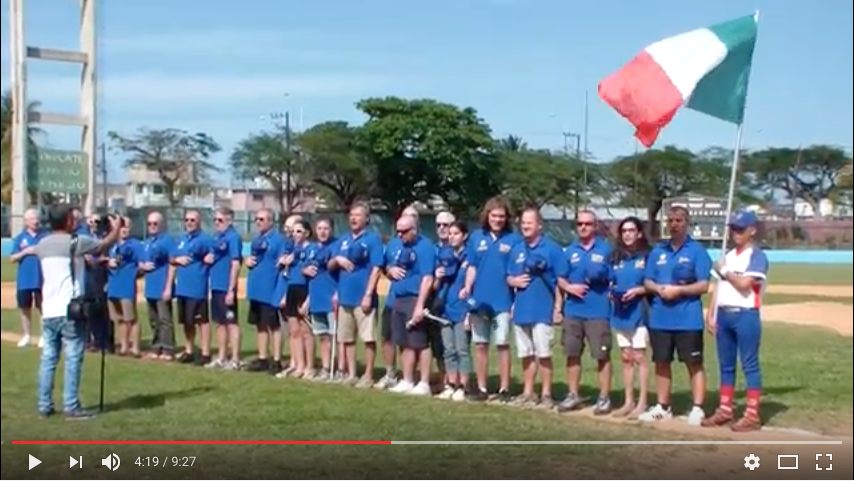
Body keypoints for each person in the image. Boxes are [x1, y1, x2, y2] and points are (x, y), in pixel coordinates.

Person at [33, 204, 120, 419]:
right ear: (68, 221)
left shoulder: (42, 245)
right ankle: (71, 406)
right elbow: (102, 246)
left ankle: (44, 404)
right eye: (73, 218)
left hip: (49, 309)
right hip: (70, 309)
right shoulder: (76, 242)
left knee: (49, 358)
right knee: (73, 357)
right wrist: (116, 229)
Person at [639, 205, 712, 425]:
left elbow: (704, 285)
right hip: (660, 318)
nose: (674, 224)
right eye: (670, 220)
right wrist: (659, 289)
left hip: (688, 318)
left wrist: (679, 291)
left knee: (693, 363)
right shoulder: (658, 251)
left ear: (687, 223)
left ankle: (698, 407)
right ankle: (663, 406)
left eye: (679, 220)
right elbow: (647, 280)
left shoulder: (697, 251)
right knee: (661, 362)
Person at [703, 211, 768, 431]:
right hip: (724, 314)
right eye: (733, 228)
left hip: (746, 314)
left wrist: (725, 271)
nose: (735, 233)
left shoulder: (757, 256)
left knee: (749, 364)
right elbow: (718, 288)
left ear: (752, 230)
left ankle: (752, 414)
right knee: (725, 365)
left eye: (740, 228)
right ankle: (725, 409)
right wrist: (711, 313)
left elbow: (743, 284)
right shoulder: (729, 255)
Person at [555, 210, 614, 414]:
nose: (583, 227)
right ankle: (573, 394)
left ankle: (604, 397)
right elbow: (560, 278)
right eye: (580, 224)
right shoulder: (569, 251)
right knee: (572, 354)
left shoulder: (606, 250)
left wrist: (604, 281)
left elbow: (614, 277)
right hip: (573, 310)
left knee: (602, 355)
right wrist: (570, 288)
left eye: (588, 224)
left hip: (598, 311)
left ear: (595, 226)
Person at [463, 196, 521, 403]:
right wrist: (467, 287)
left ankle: (505, 388)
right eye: (494, 215)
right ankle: (481, 387)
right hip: (480, 301)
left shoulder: (514, 240)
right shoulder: (476, 237)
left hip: (503, 302)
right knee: (480, 344)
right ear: (487, 216)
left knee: (503, 344)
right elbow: (472, 266)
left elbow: (516, 271)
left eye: (501, 216)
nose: (497, 219)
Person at [506, 208, 564, 408]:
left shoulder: (552, 249)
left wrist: (558, 308)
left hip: (543, 310)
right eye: (523, 222)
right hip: (522, 309)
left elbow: (560, 281)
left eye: (530, 222)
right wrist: (513, 280)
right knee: (526, 353)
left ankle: (547, 394)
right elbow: (509, 277)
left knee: (544, 353)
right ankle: (528, 392)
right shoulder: (517, 249)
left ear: (539, 225)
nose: (525, 226)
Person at [328, 202, 384, 388]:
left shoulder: (372, 239)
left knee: (368, 338)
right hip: (345, 297)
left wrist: (368, 294)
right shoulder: (343, 240)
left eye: (358, 215)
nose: (353, 218)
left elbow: (377, 268)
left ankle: (368, 375)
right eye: (351, 215)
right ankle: (351, 373)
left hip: (363, 298)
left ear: (366, 218)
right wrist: (337, 259)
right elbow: (330, 266)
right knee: (347, 338)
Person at [387, 214, 436, 395]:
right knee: (404, 341)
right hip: (398, 297)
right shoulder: (398, 245)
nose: (400, 235)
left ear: (414, 230)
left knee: (420, 342)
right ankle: (407, 379)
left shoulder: (425, 247)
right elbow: (389, 265)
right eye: (398, 231)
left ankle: (424, 382)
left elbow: (427, 277)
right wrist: (390, 269)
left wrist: (419, 305)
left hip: (415, 297)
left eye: (404, 232)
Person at [609, 216, 652, 419]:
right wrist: (612, 292)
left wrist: (639, 290)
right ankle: (628, 401)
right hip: (620, 312)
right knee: (625, 357)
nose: (627, 234)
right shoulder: (616, 257)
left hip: (640, 313)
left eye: (631, 230)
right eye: (624, 231)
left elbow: (653, 284)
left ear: (639, 233)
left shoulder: (647, 256)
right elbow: (611, 281)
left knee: (639, 357)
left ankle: (642, 402)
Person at [375, 205, 420, 390]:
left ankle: (407, 376)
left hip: (411, 299)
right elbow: (384, 267)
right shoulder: (393, 244)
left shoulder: (422, 245)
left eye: (412, 217)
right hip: (392, 298)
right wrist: (389, 270)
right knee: (387, 336)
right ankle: (390, 373)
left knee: (408, 340)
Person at [165, 209, 214, 365]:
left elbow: (213, 255)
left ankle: (205, 353)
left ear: (199, 222)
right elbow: (171, 259)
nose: (189, 223)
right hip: (182, 288)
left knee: (202, 321)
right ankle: (189, 350)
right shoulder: (181, 239)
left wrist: (210, 257)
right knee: (187, 322)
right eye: (186, 220)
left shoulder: (205, 239)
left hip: (197, 287)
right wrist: (177, 259)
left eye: (192, 220)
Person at [244, 209, 286, 372]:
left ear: (271, 221)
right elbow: (250, 259)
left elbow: (283, 264)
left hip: (270, 290)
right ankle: (263, 358)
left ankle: (276, 360)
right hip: (255, 289)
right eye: (256, 219)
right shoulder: (256, 240)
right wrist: (247, 261)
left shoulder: (278, 240)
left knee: (273, 327)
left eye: (262, 219)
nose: (258, 222)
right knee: (260, 325)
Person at [435, 220, 471, 401]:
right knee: (448, 350)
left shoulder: (469, 256)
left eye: (456, 233)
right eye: (450, 234)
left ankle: (463, 386)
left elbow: (473, 285)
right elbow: (436, 285)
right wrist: (437, 276)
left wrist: (470, 312)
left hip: (462, 308)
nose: (452, 237)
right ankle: (450, 383)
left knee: (461, 349)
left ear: (464, 236)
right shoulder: (444, 254)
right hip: (445, 308)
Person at [206, 207, 243, 369]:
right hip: (216, 286)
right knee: (220, 323)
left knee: (231, 322)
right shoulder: (216, 238)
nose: (216, 223)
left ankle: (235, 359)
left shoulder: (233, 237)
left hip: (226, 287)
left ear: (229, 220)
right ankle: (222, 357)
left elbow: (236, 264)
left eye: (220, 220)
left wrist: (231, 289)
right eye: (215, 220)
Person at [303, 217, 339, 381]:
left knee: (334, 337)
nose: (323, 232)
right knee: (322, 336)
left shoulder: (337, 246)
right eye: (319, 228)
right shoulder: (311, 249)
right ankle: (325, 367)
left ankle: (337, 368)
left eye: (326, 228)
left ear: (331, 230)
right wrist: (305, 270)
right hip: (316, 298)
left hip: (331, 298)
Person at [277, 220, 314, 379]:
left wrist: (309, 300)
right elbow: (288, 274)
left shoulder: (312, 249)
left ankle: (310, 366)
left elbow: (313, 275)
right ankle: (299, 365)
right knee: (294, 331)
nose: (295, 235)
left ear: (307, 233)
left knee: (306, 331)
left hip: (304, 290)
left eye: (299, 231)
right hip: (292, 289)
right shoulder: (292, 250)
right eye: (293, 232)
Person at [140, 211, 176, 361]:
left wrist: (168, 287)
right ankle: (156, 346)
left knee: (164, 319)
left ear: (161, 225)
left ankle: (168, 348)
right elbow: (141, 262)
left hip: (162, 285)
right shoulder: (147, 242)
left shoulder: (167, 241)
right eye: (149, 224)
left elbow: (173, 263)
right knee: (153, 319)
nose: (152, 226)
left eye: (155, 223)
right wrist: (142, 266)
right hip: (150, 287)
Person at [106, 217, 142, 357]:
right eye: (122, 226)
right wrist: (108, 262)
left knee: (131, 318)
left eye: (127, 226)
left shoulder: (133, 244)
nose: (124, 229)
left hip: (126, 285)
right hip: (114, 285)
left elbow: (141, 262)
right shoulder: (112, 245)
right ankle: (124, 346)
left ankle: (136, 348)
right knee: (119, 318)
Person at [10, 208, 45, 348]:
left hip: (41, 278)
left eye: (36, 218)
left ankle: (43, 336)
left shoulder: (44, 236)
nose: (35, 221)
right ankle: (27, 335)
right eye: (32, 219)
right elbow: (12, 258)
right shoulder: (20, 238)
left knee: (42, 308)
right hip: (24, 279)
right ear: (26, 222)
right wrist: (26, 252)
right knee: (25, 308)